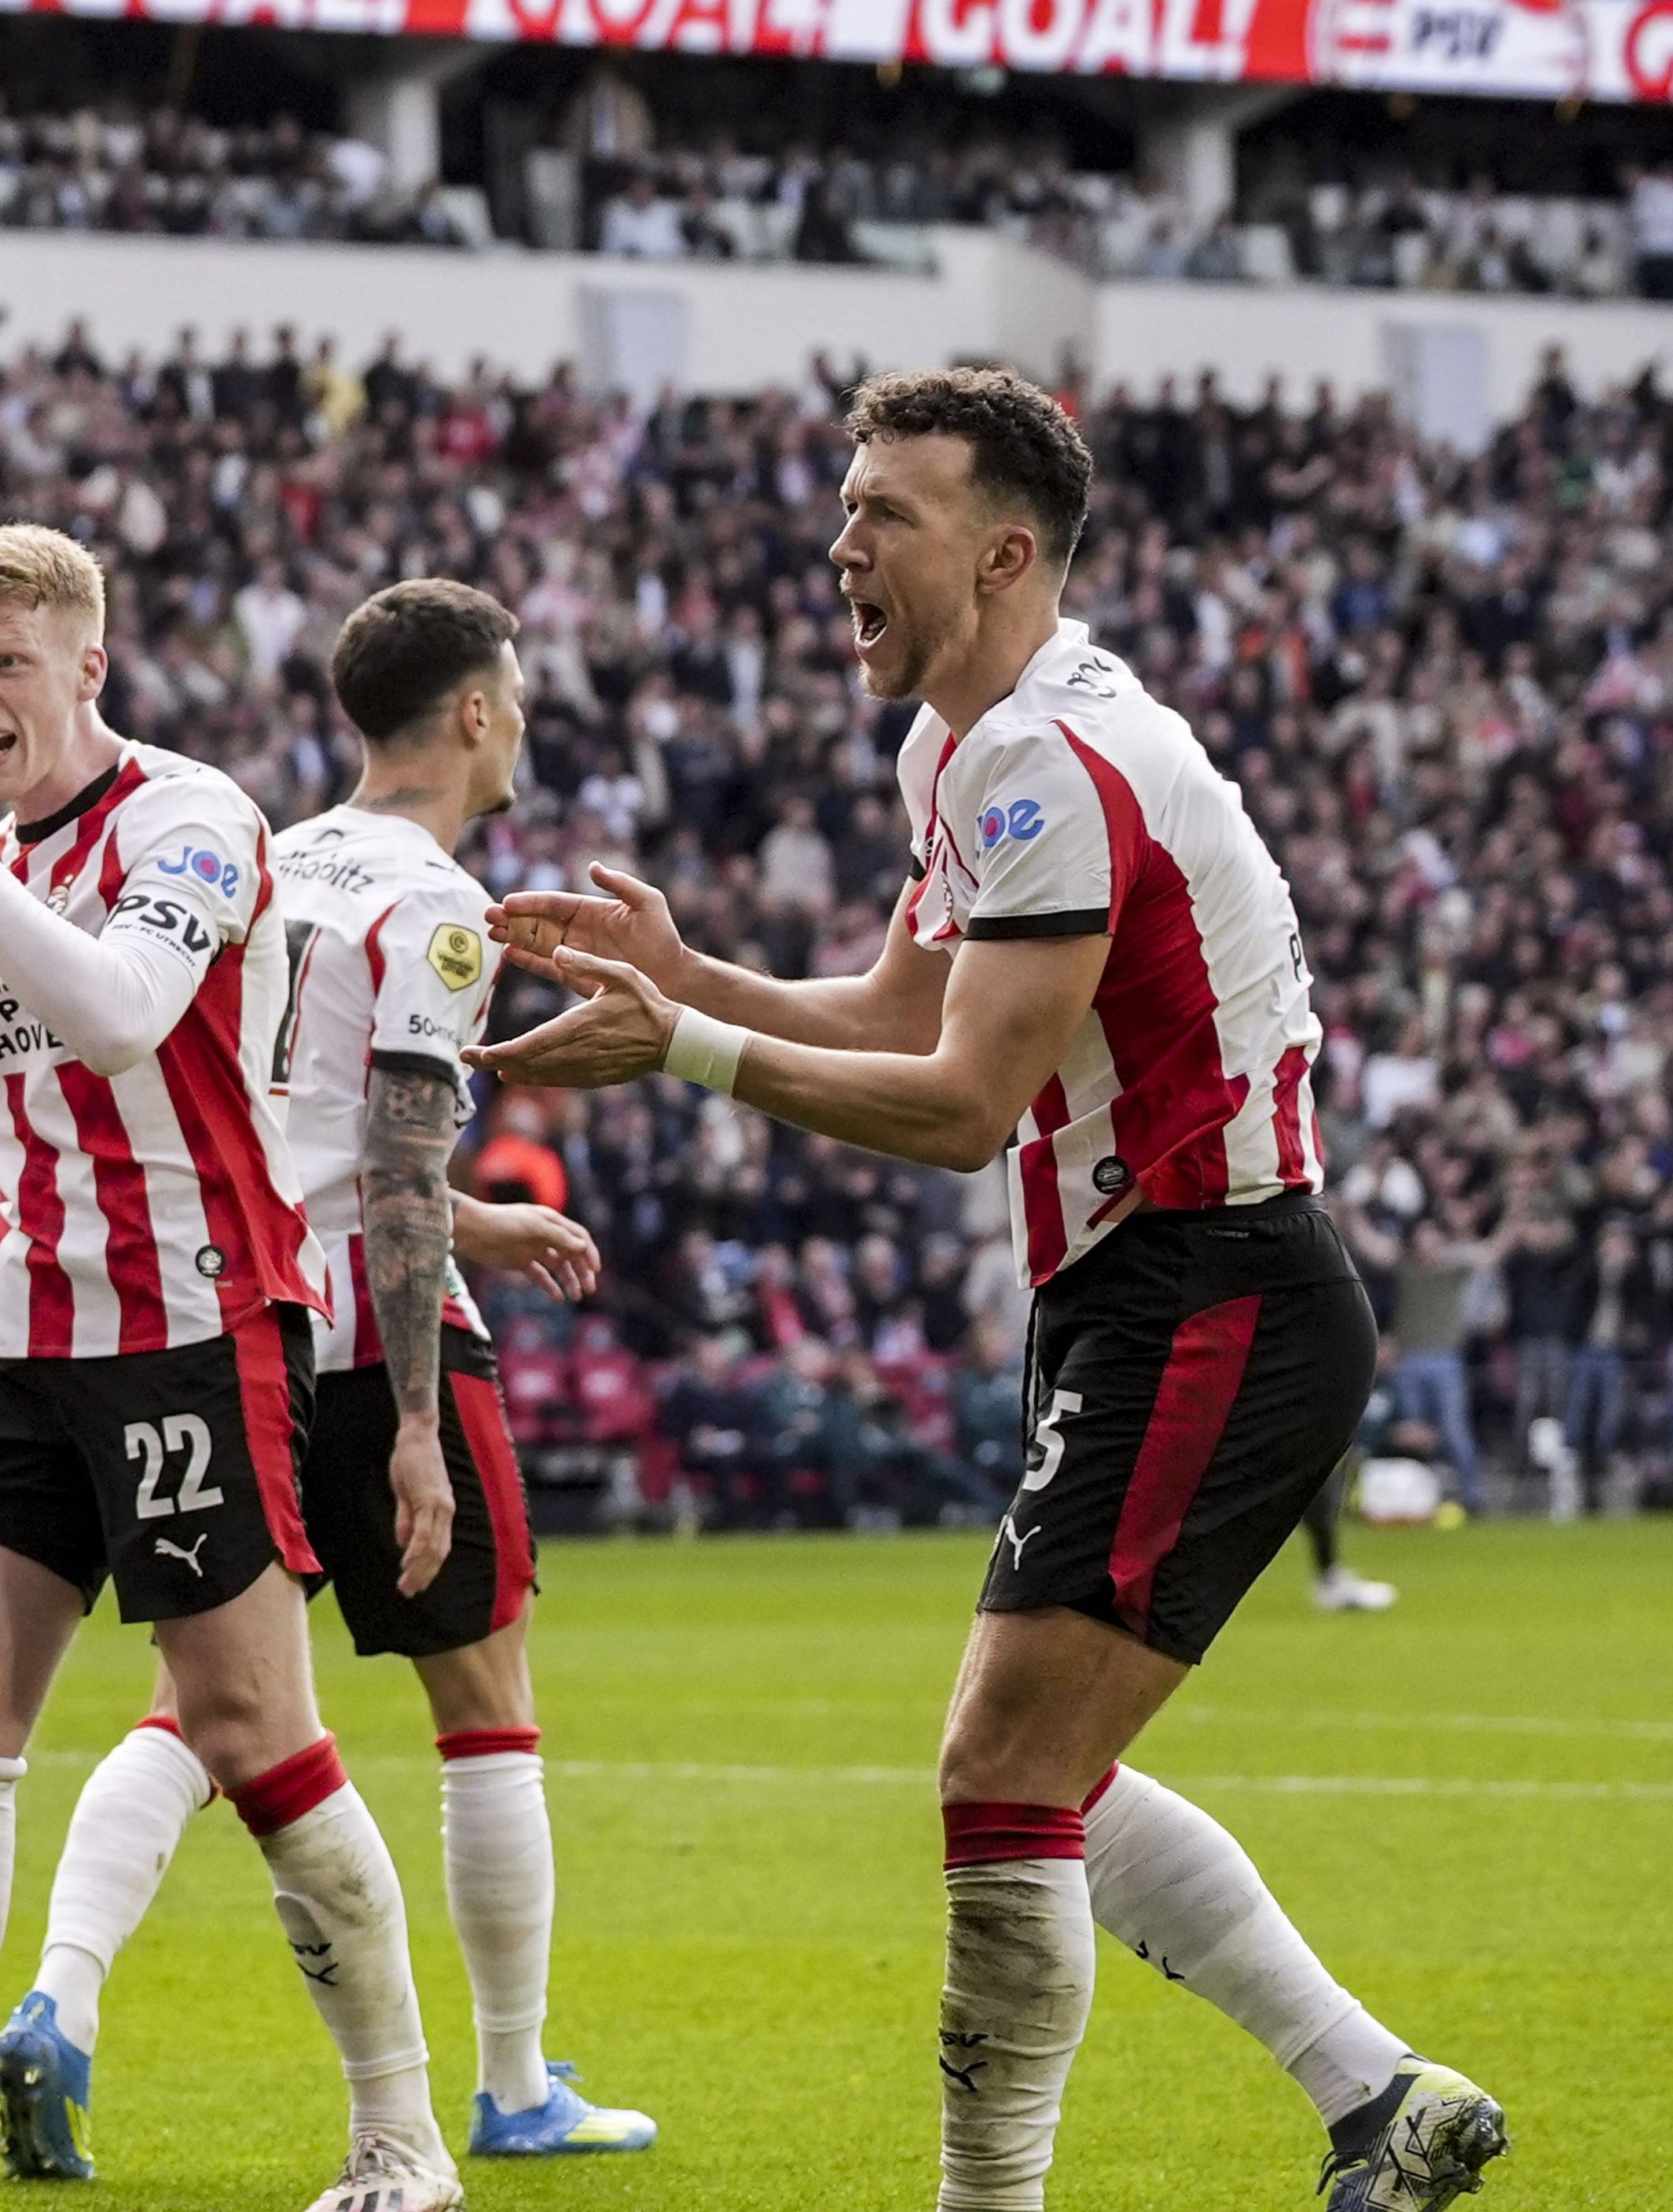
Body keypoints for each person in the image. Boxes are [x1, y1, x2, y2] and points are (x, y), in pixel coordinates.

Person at [470, 368, 1505, 2212]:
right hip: (1150, 1290)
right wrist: (693, 972)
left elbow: (961, 1109)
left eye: (889, 515)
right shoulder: (968, 746)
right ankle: (1381, 2097)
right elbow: (900, 1019)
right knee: (1047, 1781)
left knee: (1001, 1770)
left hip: (1214, 1281)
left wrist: (684, 1046)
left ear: (1005, 552)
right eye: (849, 504)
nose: (842, 544)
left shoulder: (1051, 761)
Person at [0, 523, 459, 2212]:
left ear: (91, 661)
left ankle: (403, 2136)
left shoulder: (189, 820)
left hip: (190, 1333)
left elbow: (129, 1010)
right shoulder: (6, 848)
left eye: (9, 661)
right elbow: (54, 1090)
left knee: (248, 1726)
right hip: (27, 1336)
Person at [0, 578, 653, 2179]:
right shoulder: (438, 900)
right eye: (521, 701)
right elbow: (400, 1163)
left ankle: (60, 1998)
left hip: (239, 1318)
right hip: (375, 1328)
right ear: (478, 710)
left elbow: (292, 1123)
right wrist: (417, 1418)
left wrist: (470, 1214)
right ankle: (508, 2084)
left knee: (205, 1704)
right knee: (484, 1703)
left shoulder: (252, 849)